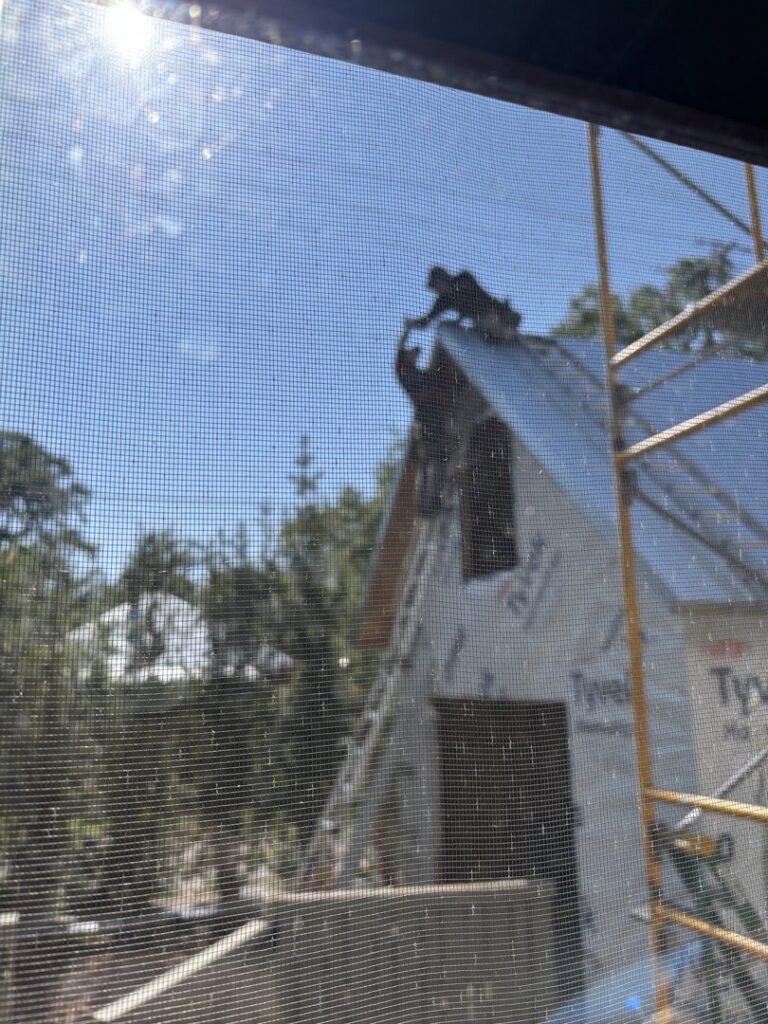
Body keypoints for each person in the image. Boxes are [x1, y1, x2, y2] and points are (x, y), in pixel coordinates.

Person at [395, 325, 450, 516]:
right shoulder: (405, 373)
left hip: (438, 421)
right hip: (425, 422)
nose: (414, 356)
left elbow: (441, 387)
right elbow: (398, 352)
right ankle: (424, 506)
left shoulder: (424, 375)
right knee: (427, 462)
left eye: (416, 354)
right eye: (411, 353)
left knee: (441, 460)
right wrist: (406, 331)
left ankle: (436, 502)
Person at [411, 266, 521, 343]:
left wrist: (459, 319)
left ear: (442, 278)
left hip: (490, 311)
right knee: (485, 332)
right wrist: (412, 324)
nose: (436, 290)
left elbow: (475, 296)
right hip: (479, 322)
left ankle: (509, 329)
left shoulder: (464, 278)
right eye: (434, 287)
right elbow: (428, 319)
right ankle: (505, 335)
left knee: (493, 326)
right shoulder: (443, 300)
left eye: (435, 285)